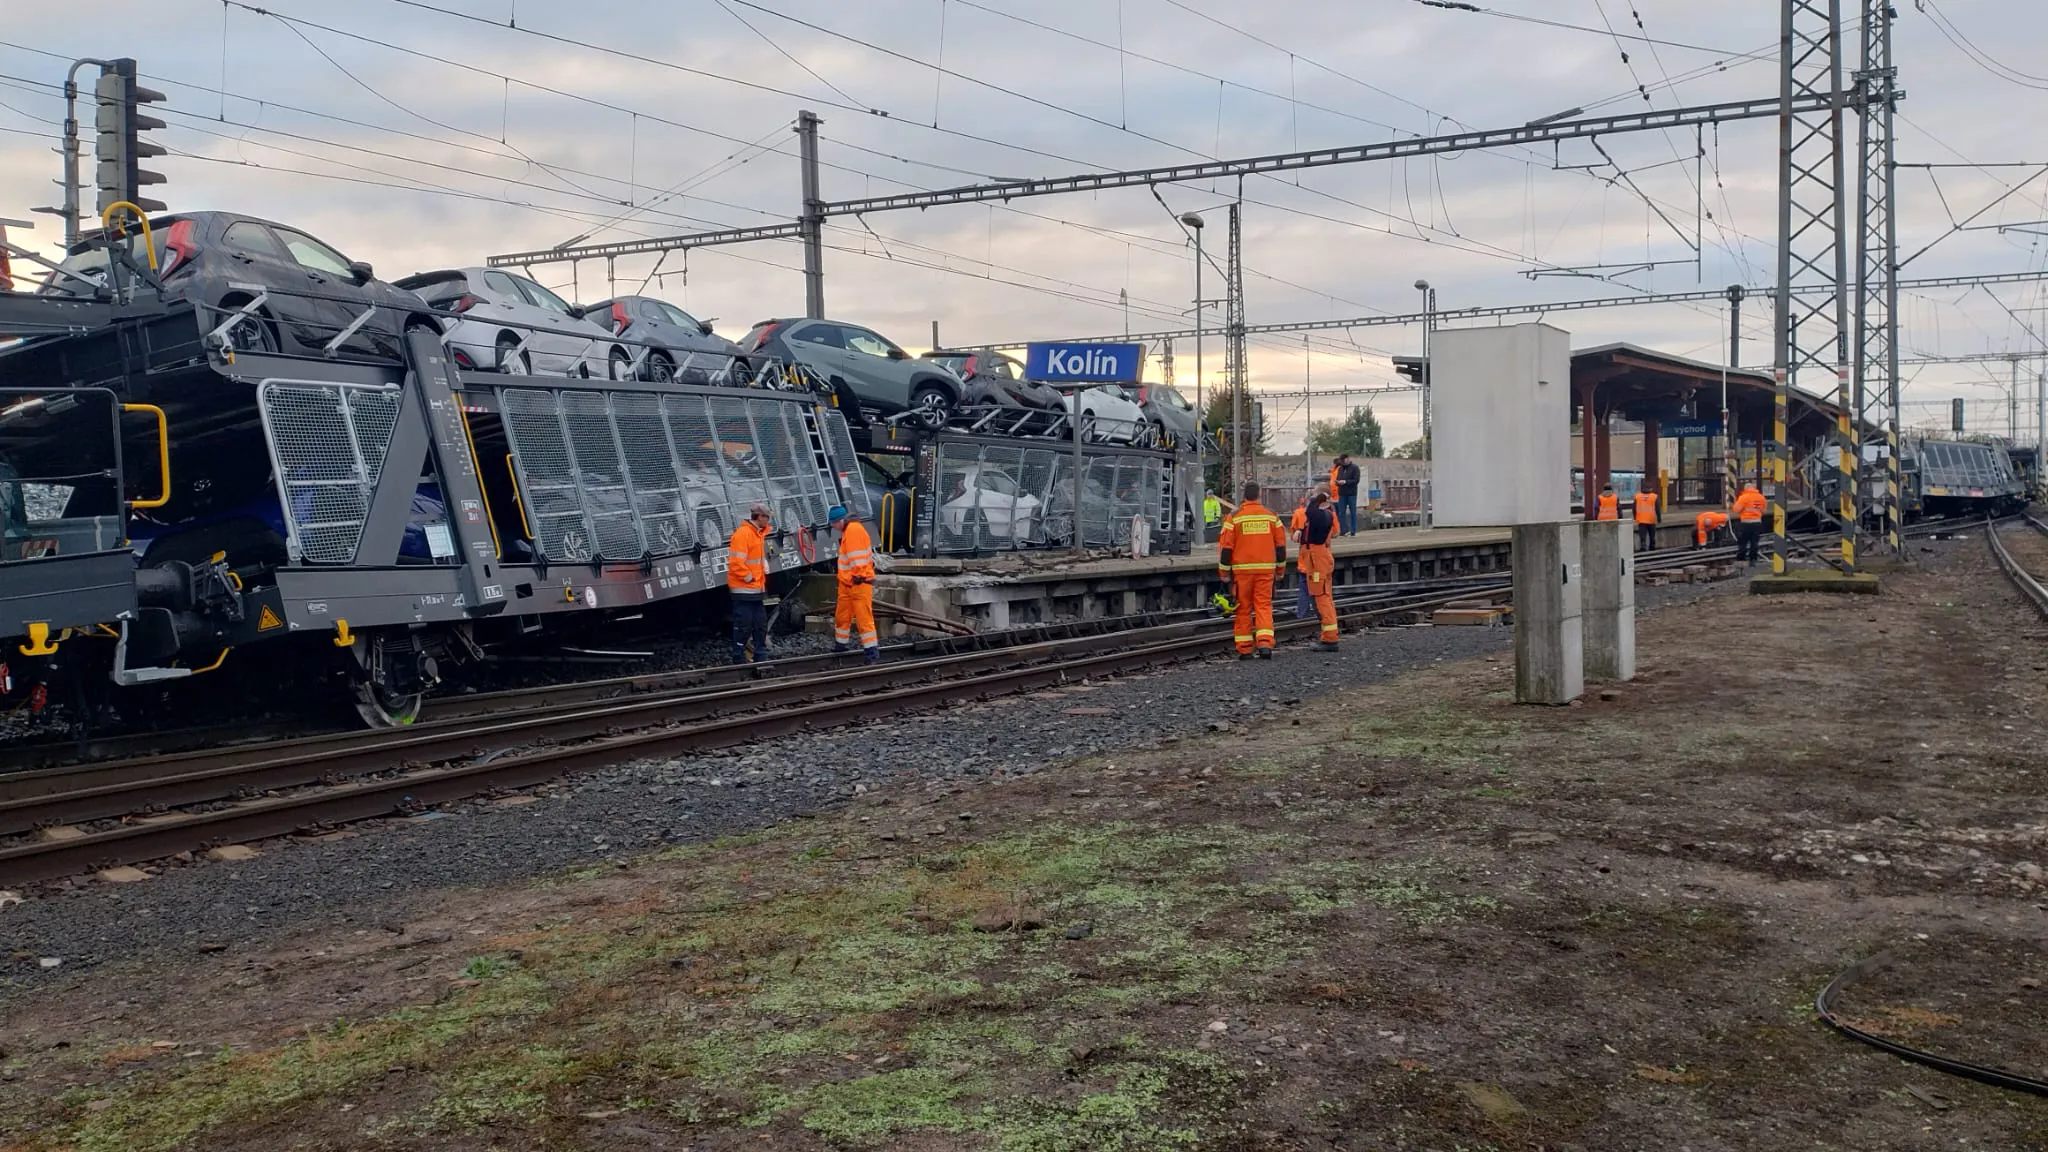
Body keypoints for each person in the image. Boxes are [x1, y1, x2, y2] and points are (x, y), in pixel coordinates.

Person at [1217, 482, 1287, 660]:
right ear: (1259, 496)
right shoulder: (1271, 517)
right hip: (1265, 570)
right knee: (1264, 606)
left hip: (1242, 572)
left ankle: (1245, 649)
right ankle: (1265, 644)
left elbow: (1226, 548)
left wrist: (1224, 573)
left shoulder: (1234, 517)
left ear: (1244, 496)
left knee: (1243, 609)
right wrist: (1280, 569)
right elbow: (1280, 547)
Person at [830, 506, 880, 664]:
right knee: (842, 615)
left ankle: (871, 652)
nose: (834, 528)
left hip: (858, 582)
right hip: (849, 582)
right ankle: (841, 645)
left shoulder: (853, 530)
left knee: (863, 618)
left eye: (834, 524)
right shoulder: (849, 530)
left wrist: (858, 577)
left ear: (840, 521)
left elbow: (857, 559)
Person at [727, 503, 773, 664]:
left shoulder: (756, 534)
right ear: (760, 517)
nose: (768, 520)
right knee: (744, 624)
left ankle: (760, 654)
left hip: (755, 589)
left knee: (759, 623)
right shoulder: (744, 534)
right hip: (745, 590)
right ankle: (739, 656)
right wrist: (749, 577)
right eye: (767, 517)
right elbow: (736, 563)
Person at [1299, 491, 1340, 651]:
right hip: (1321, 558)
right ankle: (1329, 635)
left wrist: (1319, 496)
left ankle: (1330, 638)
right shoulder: (1327, 515)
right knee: (1325, 596)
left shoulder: (1320, 515)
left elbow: (1309, 510)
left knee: (1321, 597)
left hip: (1317, 561)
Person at [1732, 481, 1767, 563]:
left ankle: (1741, 559)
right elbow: (1764, 511)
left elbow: (1736, 509)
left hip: (1746, 523)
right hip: (1757, 522)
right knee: (1754, 542)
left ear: (1746, 488)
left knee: (1743, 542)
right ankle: (1753, 559)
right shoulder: (1761, 498)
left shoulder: (1744, 497)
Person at [1332, 454, 1361, 536]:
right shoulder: (1340, 469)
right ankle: (1343, 530)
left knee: (1352, 512)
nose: (1341, 462)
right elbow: (1338, 478)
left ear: (1347, 459)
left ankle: (1353, 531)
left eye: (1343, 460)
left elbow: (1356, 480)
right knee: (1341, 513)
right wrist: (1337, 482)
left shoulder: (1355, 468)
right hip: (1342, 493)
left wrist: (1345, 482)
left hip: (1351, 493)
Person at [1632, 486, 1659, 552]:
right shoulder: (1654, 497)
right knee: (1652, 535)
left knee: (1642, 535)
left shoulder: (1637, 496)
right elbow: (1658, 509)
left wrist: (1635, 517)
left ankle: (1643, 546)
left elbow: (1634, 509)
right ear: (1650, 489)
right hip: (1651, 519)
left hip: (1641, 519)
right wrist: (1659, 518)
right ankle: (1652, 546)